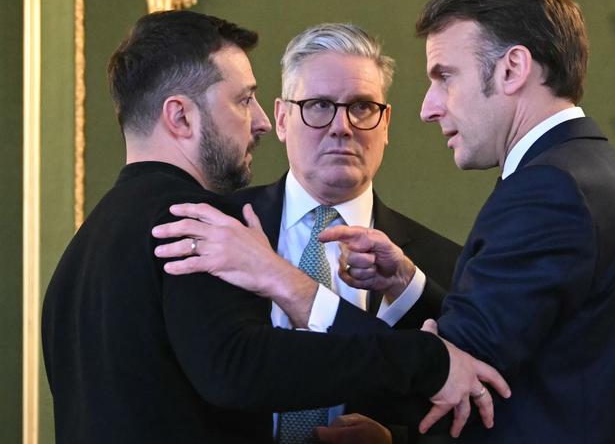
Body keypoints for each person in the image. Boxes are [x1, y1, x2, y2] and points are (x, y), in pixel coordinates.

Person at [42, 10, 508, 444]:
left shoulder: (79, 251)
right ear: (181, 116)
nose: (260, 121)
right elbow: (240, 365)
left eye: (363, 108)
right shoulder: (200, 223)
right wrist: (426, 360)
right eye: (244, 100)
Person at [320, 0, 615, 443]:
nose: (428, 108)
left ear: (512, 69)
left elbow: (448, 383)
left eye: (444, 77)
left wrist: (287, 285)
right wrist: (411, 288)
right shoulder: (607, 176)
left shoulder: (547, 192)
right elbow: (520, 347)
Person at [181, 22, 462, 443]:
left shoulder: (440, 268)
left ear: (386, 125)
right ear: (280, 118)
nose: (342, 126)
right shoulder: (217, 228)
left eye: (363, 107)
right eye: (318, 105)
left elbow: (470, 408)